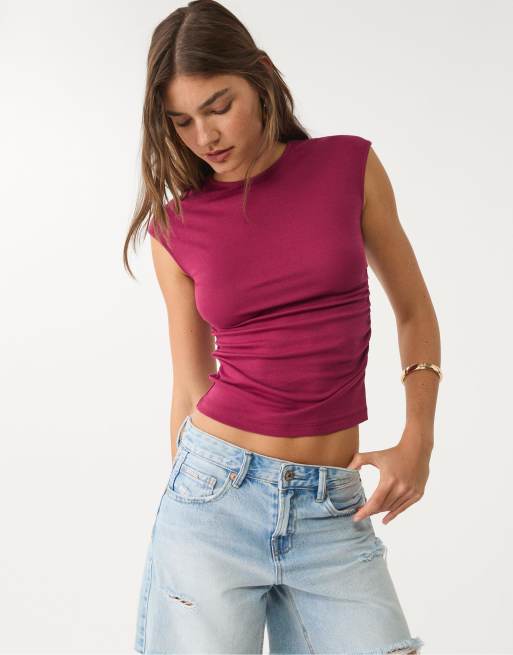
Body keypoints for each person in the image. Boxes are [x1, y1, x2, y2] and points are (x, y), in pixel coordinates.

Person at [126, 1, 441, 653]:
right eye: (180, 121)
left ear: (261, 76)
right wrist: (189, 495)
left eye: (218, 106)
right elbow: (189, 383)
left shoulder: (348, 167)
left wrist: (418, 439)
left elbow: (413, 309)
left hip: (333, 508)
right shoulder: (175, 228)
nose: (204, 136)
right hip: (213, 498)